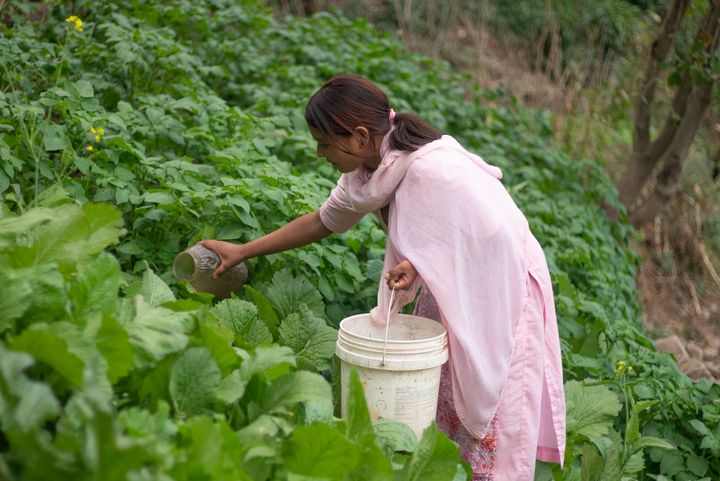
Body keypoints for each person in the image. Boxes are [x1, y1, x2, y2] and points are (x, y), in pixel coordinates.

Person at [201, 73, 566, 480]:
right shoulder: (369, 175)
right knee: (443, 386)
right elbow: (322, 221)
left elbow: (494, 230)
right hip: (455, 286)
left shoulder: (431, 169)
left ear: (359, 137)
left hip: (502, 286)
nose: (319, 152)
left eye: (324, 142)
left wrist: (424, 263)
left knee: (490, 397)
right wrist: (243, 251)